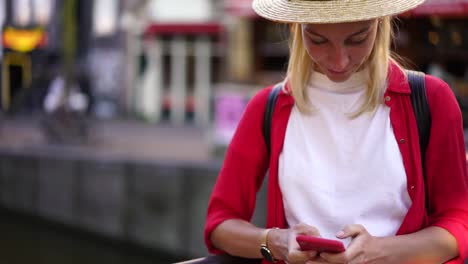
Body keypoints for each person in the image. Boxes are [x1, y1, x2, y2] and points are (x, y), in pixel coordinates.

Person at [204, 0, 468, 263]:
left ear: (380, 23)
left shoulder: (431, 100)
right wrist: (277, 241)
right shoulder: (267, 107)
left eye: (358, 38)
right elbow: (220, 224)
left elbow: (459, 222)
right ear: (298, 29)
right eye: (318, 40)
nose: (339, 60)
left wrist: (380, 253)